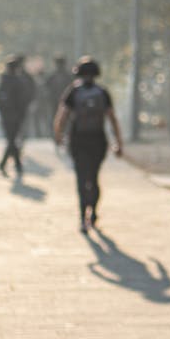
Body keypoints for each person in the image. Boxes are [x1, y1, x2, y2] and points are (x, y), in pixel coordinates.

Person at [53, 57, 123, 233]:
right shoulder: (103, 92)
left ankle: (83, 215)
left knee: (81, 179)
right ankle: (94, 213)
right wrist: (118, 143)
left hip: (78, 140)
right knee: (94, 177)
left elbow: (62, 116)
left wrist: (58, 135)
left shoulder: (73, 92)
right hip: (98, 140)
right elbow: (112, 119)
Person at [0, 55, 29, 177]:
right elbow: (23, 101)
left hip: (6, 116)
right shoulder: (19, 82)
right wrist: (21, 115)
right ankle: (11, 165)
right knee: (12, 140)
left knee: (11, 140)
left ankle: (10, 165)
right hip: (15, 117)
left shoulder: (3, 81)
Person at [45, 55, 72, 123]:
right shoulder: (52, 77)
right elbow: (46, 87)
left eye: (61, 63)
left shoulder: (68, 76)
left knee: (67, 117)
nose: (59, 65)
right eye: (58, 63)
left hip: (66, 100)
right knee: (55, 116)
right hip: (54, 100)